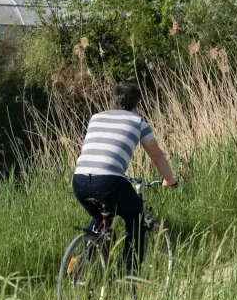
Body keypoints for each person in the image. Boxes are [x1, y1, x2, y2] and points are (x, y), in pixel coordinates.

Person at [72, 82, 179, 276]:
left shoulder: (96, 117)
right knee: (135, 216)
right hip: (109, 181)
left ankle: (81, 264)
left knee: (100, 217)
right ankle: (129, 275)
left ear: (115, 100)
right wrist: (169, 179)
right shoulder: (138, 121)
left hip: (79, 180)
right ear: (137, 103)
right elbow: (157, 155)